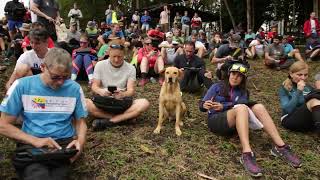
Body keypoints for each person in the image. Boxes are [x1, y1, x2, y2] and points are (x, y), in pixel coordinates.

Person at [199, 63, 302, 177]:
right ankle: (247, 153)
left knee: (259, 107)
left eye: (239, 75)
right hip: (216, 121)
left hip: (234, 123)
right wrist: (205, 105)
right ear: (229, 74)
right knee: (241, 108)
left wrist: (224, 106)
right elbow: (202, 105)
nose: (235, 77)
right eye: (233, 73)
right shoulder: (217, 86)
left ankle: (281, 147)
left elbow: (242, 103)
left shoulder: (243, 92)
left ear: (243, 79)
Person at [0, 47, 88, 179]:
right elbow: (3, 125)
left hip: (63, 145)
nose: (60, 82)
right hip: (32, 144)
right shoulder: (21, 86)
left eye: (65, 77)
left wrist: (80, 142)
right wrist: (35, 141)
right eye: (55, 77)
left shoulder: (74, 88)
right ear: (42, 67)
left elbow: (81, 122)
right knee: (37, 175)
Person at [85, 40, 150, 130]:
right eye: (113, 56)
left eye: (120, 57)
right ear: (109, 54)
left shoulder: (131, 68)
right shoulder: (100, 65)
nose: (116, 60)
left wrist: (123, 94)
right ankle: (123, 119)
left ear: (124, 55)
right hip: (103, 101)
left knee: (144, 103)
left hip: (121, 102)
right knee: (84, 103)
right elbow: (94, 86)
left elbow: (131, 90)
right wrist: (101, 91)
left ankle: (110, 120)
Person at [279, 61, 320, 132]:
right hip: (289, 119)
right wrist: (298, 91)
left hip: (306, 120)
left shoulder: (308, 87)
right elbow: (287, 109)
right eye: (299, 75)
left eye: (305, 75)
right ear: (291, 74)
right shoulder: (285, 88)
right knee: (314, 101)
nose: (303, 78)